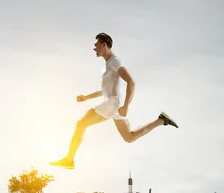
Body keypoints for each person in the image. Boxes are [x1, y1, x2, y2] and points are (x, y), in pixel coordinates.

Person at [50, 32, 178, 169]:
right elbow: (105, 91)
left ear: (104, 45)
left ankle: (69, 160)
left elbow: (131, 82)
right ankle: (161, 120)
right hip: (114, 105)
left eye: (96, 45)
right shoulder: (108, 64)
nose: (94, 48)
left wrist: (126, 106)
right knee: (129, 137)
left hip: (113, 104)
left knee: (81, 123)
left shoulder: (114, 61)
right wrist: (86, 97)